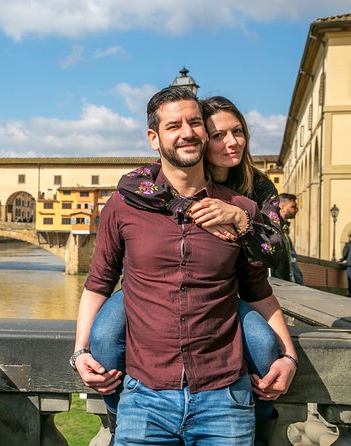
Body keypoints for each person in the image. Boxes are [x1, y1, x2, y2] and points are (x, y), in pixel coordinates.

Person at [71, 87, 298, 445]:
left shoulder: (246, 203)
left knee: (259, 338)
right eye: (174, 125)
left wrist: (289, 356)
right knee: (106, 331)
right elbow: (98, 282)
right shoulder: (127, 201)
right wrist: (80, 351)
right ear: (154, 138)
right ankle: (115, 406)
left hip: (224, 398)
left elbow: (259, 291)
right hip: (144, 401)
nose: (188, 132)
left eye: (195, 122)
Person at [272, 193, 304, 284]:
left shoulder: (283, 229)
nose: (296, 210)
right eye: (293, 206)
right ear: (282, 208)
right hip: (281, 283)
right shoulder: (276, 231)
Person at [339, 232, 351, 296]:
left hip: (349, 264)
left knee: (350, 278)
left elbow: (345, 255)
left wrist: (341, 259)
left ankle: (350, 292)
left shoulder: (348, 245)